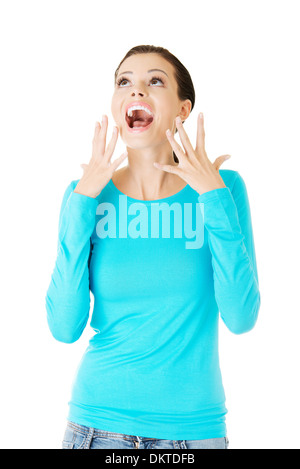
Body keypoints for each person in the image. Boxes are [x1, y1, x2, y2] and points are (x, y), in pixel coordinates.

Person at [45, 45, 260, 450]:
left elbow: (241, 315)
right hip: (97, 426)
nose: (136, 91)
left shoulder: (223, 188)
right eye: (124, 82)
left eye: (154, 81)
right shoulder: (85, 196)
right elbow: (63, 326)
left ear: (182, 110)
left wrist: (212, 196)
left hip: (195, 430)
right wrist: (82, 204)